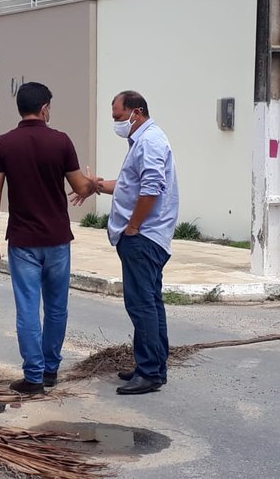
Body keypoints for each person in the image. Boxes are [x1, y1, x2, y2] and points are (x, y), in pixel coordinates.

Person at [0, 82, 98, 394]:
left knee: (28, 309)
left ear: (20, 108)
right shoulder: (61, 141)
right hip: (58, 239)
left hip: (23, 241)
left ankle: (33, 377)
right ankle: (50, 370)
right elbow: (80, 186)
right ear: (45, 108)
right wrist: (89, 184)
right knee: (57, 308)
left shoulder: (4, 144)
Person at [96, 90, 179, 395]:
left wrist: (133, 226)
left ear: (137, 112)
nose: (116, 123)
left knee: (142, 304)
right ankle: (153, 365)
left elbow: (152, 186)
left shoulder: (149, 140)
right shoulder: (143, 141)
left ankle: (149, 372)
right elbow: (132, 184)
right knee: (150, 303)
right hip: (145, 236)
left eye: (118, 116)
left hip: (143, 238)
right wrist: (100, 187)